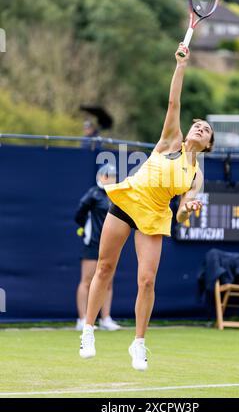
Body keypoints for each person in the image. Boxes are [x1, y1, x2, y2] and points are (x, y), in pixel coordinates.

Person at [79, 43, 214, 370]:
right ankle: (88, 329)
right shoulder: (171, 138)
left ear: (208, 145)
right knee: (104, 268)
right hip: (128, 201)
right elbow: (174, 102)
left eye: (206, 130)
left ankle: (138, 343)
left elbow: (181, 214)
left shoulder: (196, 176)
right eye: (197, 124)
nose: (199, 128)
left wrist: (189, 210)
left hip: (153, 217)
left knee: (147, 281)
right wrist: (180, 65)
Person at [75, 163, 121, 332]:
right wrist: (85, 229)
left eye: (114, 176)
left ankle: (105, 319)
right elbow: (79, 214)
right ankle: (83, 319)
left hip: (111, 244)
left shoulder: (117, 195)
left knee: (108, 282)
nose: (111, 179)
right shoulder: (93, 194)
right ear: (101, 177)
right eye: (107, 176)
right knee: (87, 281)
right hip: (93, 243)